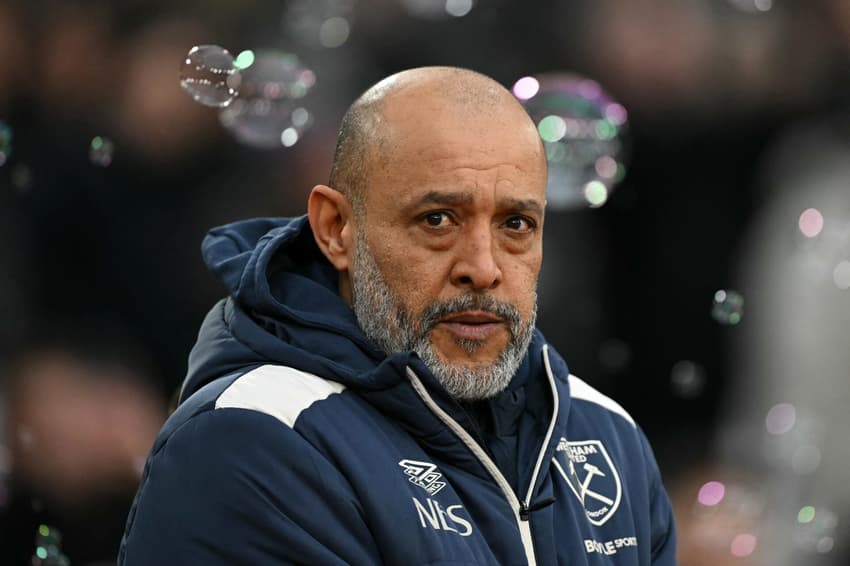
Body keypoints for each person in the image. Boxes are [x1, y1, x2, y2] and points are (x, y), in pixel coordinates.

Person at [119, 66, 677, 565]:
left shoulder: (608, 435)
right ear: (335, 228)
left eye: (515, 225)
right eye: (437, 219)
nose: (482, 268)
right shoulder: (250, 442)